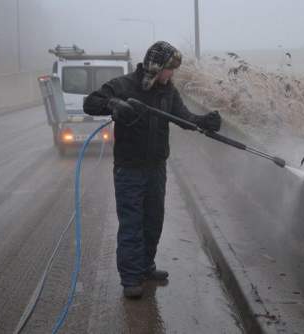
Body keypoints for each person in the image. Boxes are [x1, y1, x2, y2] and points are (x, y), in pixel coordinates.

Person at [83, 41, 221, 298]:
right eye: (169, 69)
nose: (171, 75)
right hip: (129, 170)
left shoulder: (168, 91)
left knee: (153, 221)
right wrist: (114, 104)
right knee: (132, 224)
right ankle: (130, 279)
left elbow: (185, 118)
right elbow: (90, 103)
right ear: (155, 67)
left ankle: (146, 267)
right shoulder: (124, 85)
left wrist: (205, 122)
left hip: (157, 168)